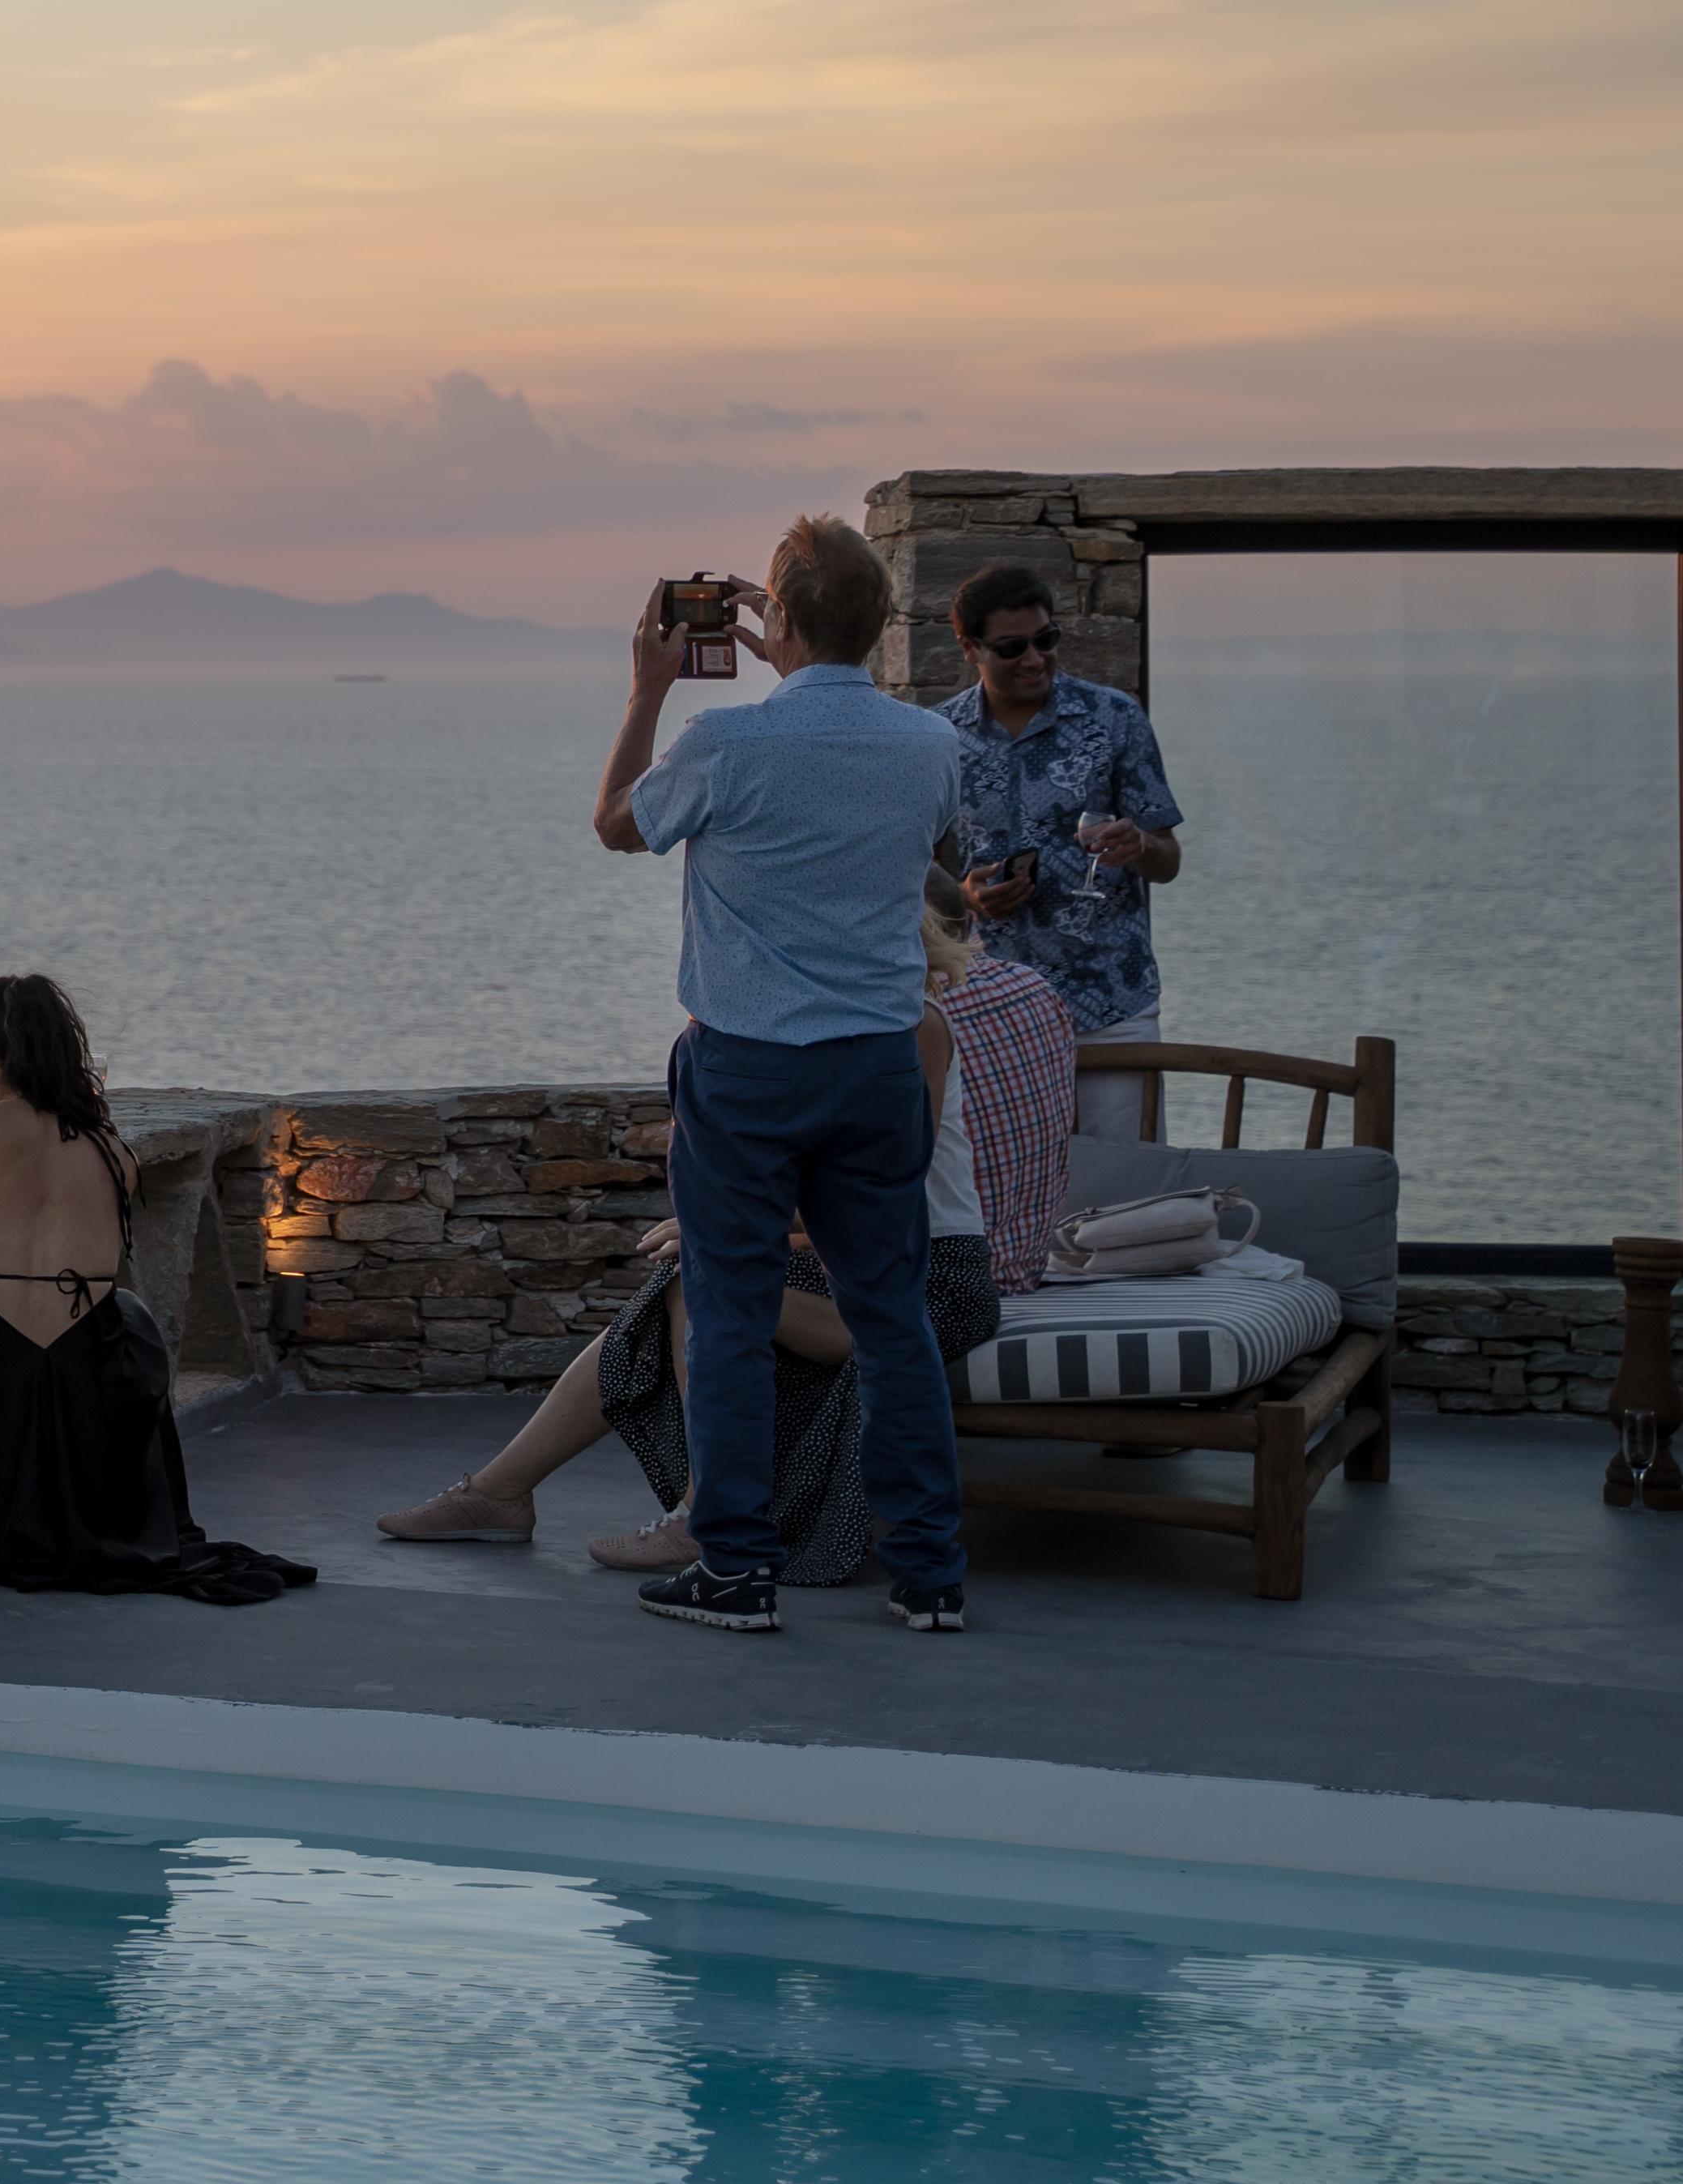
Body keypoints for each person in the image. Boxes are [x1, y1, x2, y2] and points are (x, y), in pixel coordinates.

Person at [376, 898, 1070, 1579]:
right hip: (847, 1264)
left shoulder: (912, 1025)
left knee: (695, 1279)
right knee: (685, 1280)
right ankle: (504, 1492)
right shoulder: (831, 1030)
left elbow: (889, 1190)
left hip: (926, 1279)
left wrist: (749, 1230)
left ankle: (690, 1514)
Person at [587, 515, 969, 1637]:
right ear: (881, 626)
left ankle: (737, 1568)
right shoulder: (927, 748)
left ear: (776, 619)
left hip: (747, 1065)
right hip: (872, 1060)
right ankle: (929, 1574)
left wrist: (645, 687)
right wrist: (814, 661)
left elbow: (617, 826)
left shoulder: (722, 739)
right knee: (890, 1317)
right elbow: (911, 833)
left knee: (730, 1311)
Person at [0, 972, 314, 1606]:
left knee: (2, 1337)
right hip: (93, 1378)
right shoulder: (109, 1147)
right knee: (125, 1313)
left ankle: (22, 1522)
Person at [938, 562, 1187, 1140]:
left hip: (1110, 1001)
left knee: (1123, 1193)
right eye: (1011, 646)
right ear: (968, 646)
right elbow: (912, 872)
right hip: (989, 1004)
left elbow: (1168, 861)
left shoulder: (1113, 717)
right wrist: (966, 895)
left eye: (1045, 640)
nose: (1034, 658)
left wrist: (1141, 843)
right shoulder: (937, 738)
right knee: (1002, 1188)